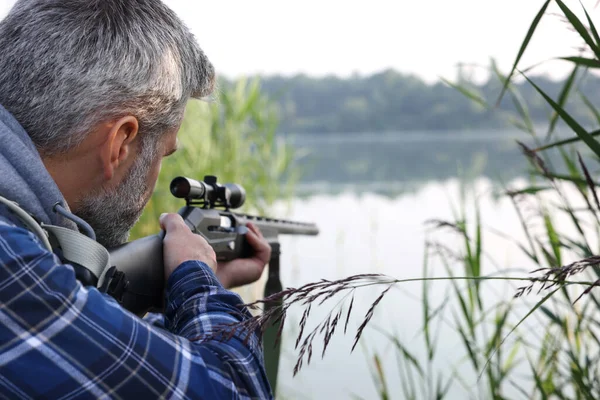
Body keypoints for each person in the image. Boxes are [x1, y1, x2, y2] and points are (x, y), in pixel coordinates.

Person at [0, 0, 273, 398]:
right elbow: (234, 389)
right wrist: (198, 280)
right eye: (165, 153)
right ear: (120, 143)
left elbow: (90, 368)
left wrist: (189, 304)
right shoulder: (10, 257)